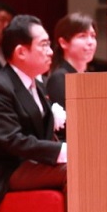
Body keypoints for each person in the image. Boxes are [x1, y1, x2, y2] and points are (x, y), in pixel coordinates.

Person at [0, 15, 66, 212]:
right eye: (43, 45)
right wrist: (63, 151)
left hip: (29, 164)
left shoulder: (38, 86)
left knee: (83, 166)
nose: (50, 51)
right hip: (4, 170)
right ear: (21, 51)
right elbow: (14, 141)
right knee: (75, 170)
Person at [45, 13, 98, 142]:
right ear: (63, 42)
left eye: (93, 36)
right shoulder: (59, 78)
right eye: (82, 36)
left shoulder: (90, 77)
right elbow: (69, 127)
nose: (90, 42)